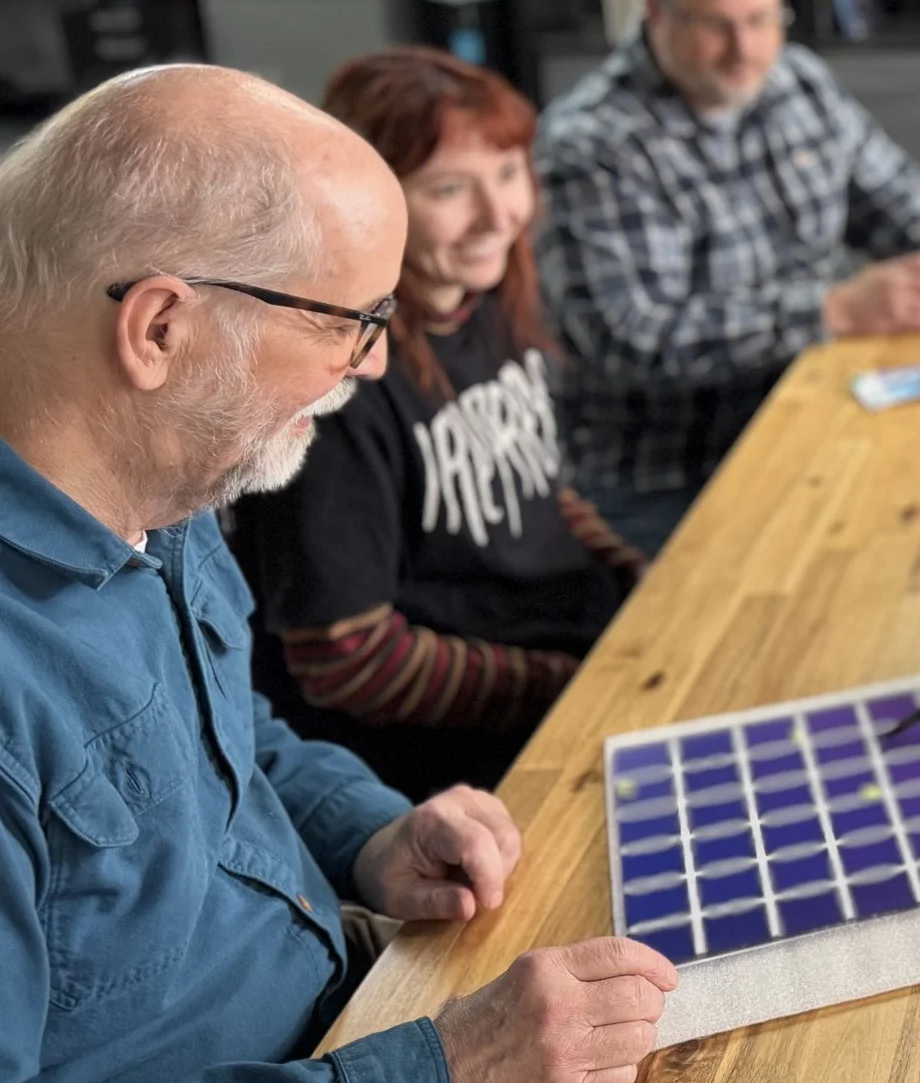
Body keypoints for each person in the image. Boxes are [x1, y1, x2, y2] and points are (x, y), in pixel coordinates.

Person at [0, 64, 675, 1083]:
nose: (367, 367)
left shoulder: (158, 480)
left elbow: (232, 740)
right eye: (346, 323)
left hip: (349, 996)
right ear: (161, 330)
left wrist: (367, 834)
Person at [232, 48, 641, 802]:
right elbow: (347, 658)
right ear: (370, 203)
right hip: (465, 763)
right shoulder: (340, 384)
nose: (498, 215)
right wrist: (573, 686)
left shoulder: (480, 294)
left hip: (571, 648)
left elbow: (537, 491)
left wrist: (640, 581)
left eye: (511, 172)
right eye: (452, 188)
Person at [537, 0, 920, 555]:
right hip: (672, 476)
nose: (745, 50)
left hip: (816, 412)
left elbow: (896, 200)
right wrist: (832, 310)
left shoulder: (797, 80)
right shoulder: (593, 142)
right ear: (656, 12)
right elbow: (629, 337)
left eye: (761, 20)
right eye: (716, 25)